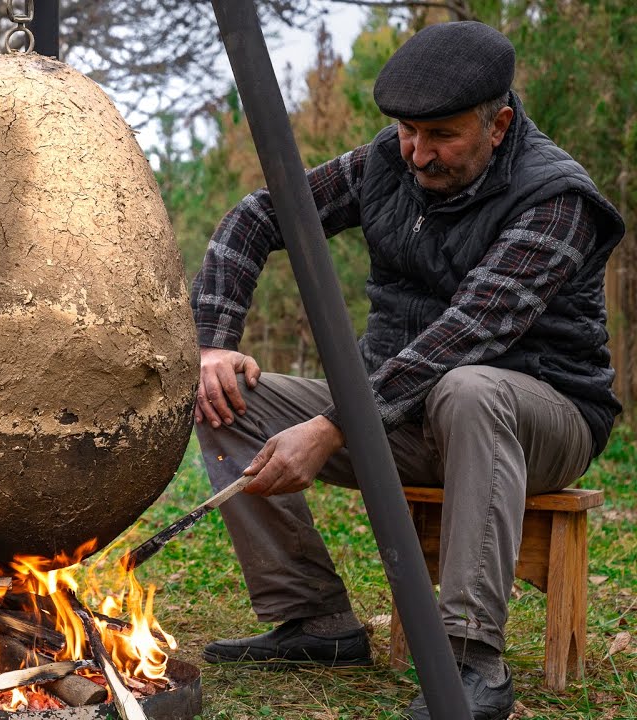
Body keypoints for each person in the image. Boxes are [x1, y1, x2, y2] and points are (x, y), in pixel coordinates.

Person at [190, 21, 624, 720]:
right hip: (401, 411)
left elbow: (473, 332)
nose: (418, 154)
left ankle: (469, 659)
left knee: (470, 387)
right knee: (227, 398)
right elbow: (258, 216)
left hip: (541, 416)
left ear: (499, 122)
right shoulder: (386, 163)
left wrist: (334, 426)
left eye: (442, 135)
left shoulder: (557, 199)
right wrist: (212, 346)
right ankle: (315, 620)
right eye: (407, 132)